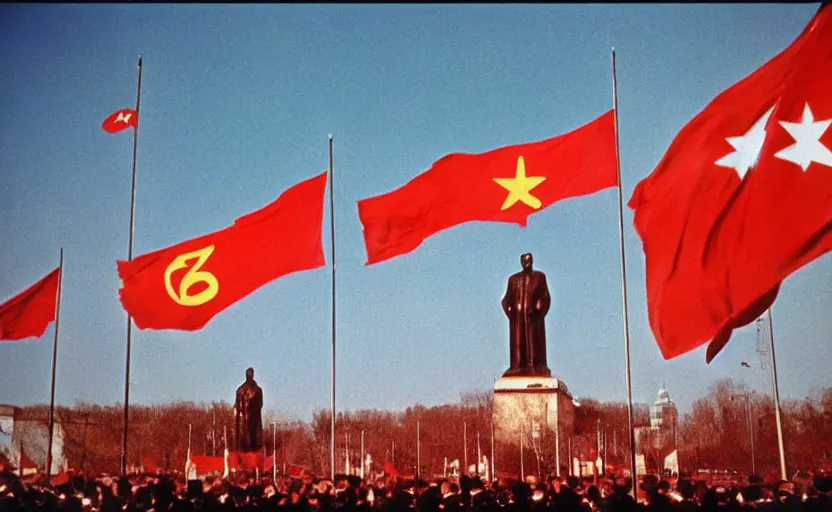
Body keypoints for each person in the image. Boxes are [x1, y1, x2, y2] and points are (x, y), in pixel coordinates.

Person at [501, 253, 551, 377]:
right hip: (517, 318)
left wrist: (540, 308)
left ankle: (536, 365)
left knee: (534, 342)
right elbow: (505, 300)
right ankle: (517, 366)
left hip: (533, 317)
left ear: (532, 260)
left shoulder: (539, 277)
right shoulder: (513, 279)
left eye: (528, 260)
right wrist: (512, 314)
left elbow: (546, 297)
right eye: (524, 260)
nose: (526, 263)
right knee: (518, 342)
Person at [234, 367, 263, 452]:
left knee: (250, 438)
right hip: (248, 419)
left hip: (250, 419)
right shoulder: (242, 390)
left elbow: (260, 404)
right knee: (248, 438)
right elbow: (260, 404)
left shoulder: (256, 390)